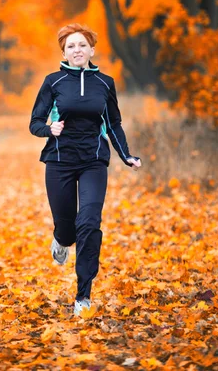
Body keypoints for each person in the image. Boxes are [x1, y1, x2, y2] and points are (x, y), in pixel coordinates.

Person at [29, 23, 141, 316]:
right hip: (58, 161)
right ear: (64, 53)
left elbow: (113, 123)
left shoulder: (105, 83)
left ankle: (83, 296)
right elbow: (35, 122)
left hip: (93, 161)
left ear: (92, 50)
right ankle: (62, 240)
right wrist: (48, 128)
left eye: (81, 45)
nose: (76, 50)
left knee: (89, 223)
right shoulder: (53, 82)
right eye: (70, 47)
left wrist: (126, 155)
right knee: (68, 230)